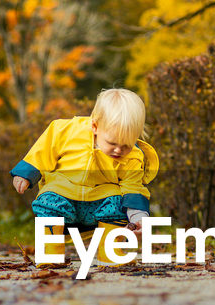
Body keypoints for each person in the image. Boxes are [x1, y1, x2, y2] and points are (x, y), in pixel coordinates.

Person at [10, 88, 158, 234]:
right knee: (48, 200)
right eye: (112, 143)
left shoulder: (133, 156)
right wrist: (26, 173)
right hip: (62, 194)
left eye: (126, 145)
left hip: (101, 202)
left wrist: (138, 216)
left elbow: (132, 187)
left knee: (118, 203)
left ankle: (111, 252)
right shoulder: (66, 131)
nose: (119, 150)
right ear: (95, 127)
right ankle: (51, 251)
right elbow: (43, 151)